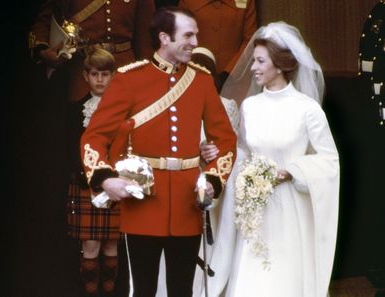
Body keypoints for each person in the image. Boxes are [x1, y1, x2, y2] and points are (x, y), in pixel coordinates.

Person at [80, 6, 237, 297]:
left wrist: (212, 181)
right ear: (164, 37)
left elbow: (225, 140)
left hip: (187, 202)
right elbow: (94, 137)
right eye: (188, 35)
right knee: (143, 291)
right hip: (143, 204)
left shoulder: (201, 80)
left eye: (196, 35)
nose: (194, 42)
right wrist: (106, 179)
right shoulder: (129, 79)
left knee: (182, 291)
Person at [201, 21, 340, 297]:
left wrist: (291, 171)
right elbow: (242, 152)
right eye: (253, 60)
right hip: (254, 211)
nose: (252, 67)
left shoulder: (307, 109)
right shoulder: (250, 107)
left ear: (280, 64)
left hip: (290, 210)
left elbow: (329, 161)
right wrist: (219, 154)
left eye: (260, 61)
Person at [66, 47, 137, 297]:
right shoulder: (76, 110)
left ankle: (108, 294)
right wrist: (92, 177)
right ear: (86, 76)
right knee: (91, 245)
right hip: (86, 185)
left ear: (113, 76)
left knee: (111, 245)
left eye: (105, 74)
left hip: (115, 183)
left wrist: (116, 177)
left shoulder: (125, 111)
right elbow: (71, 151)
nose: (99, 80)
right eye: (94, 74)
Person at [29, 0, 155, 101]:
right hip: (81, 74)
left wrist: (147, 80)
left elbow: (145, 39)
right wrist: (43, 50)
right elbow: (45, 23)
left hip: (125, 73)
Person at [178, 0, 257, 88]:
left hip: (236, 79)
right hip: (194, 74)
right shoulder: (188, 2)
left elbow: (250, 40)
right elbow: (181, 36)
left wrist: (229, 72)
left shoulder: (246, 1)